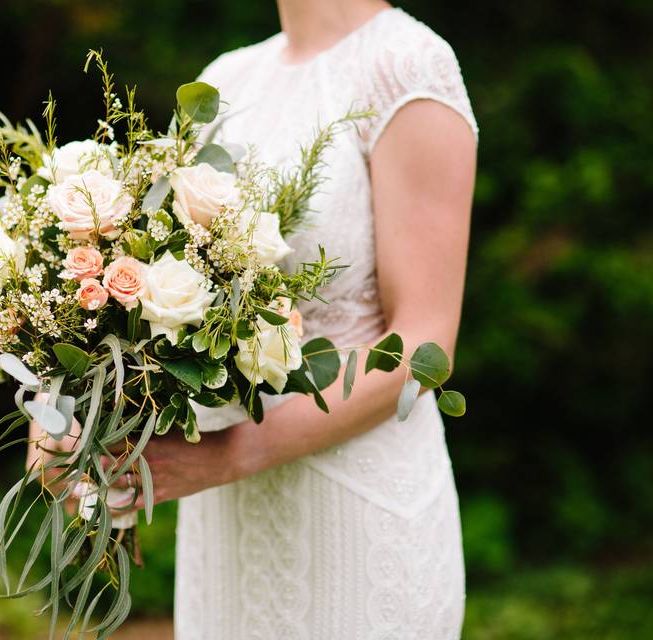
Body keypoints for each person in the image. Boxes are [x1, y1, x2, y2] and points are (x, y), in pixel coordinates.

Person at [137, 0, 478, 637]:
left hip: (358, 513)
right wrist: (84, 412)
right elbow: (167, 305)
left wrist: (224, 458)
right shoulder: (227, 79)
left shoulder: (407, 66)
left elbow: (424, 346)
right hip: (230, 531)